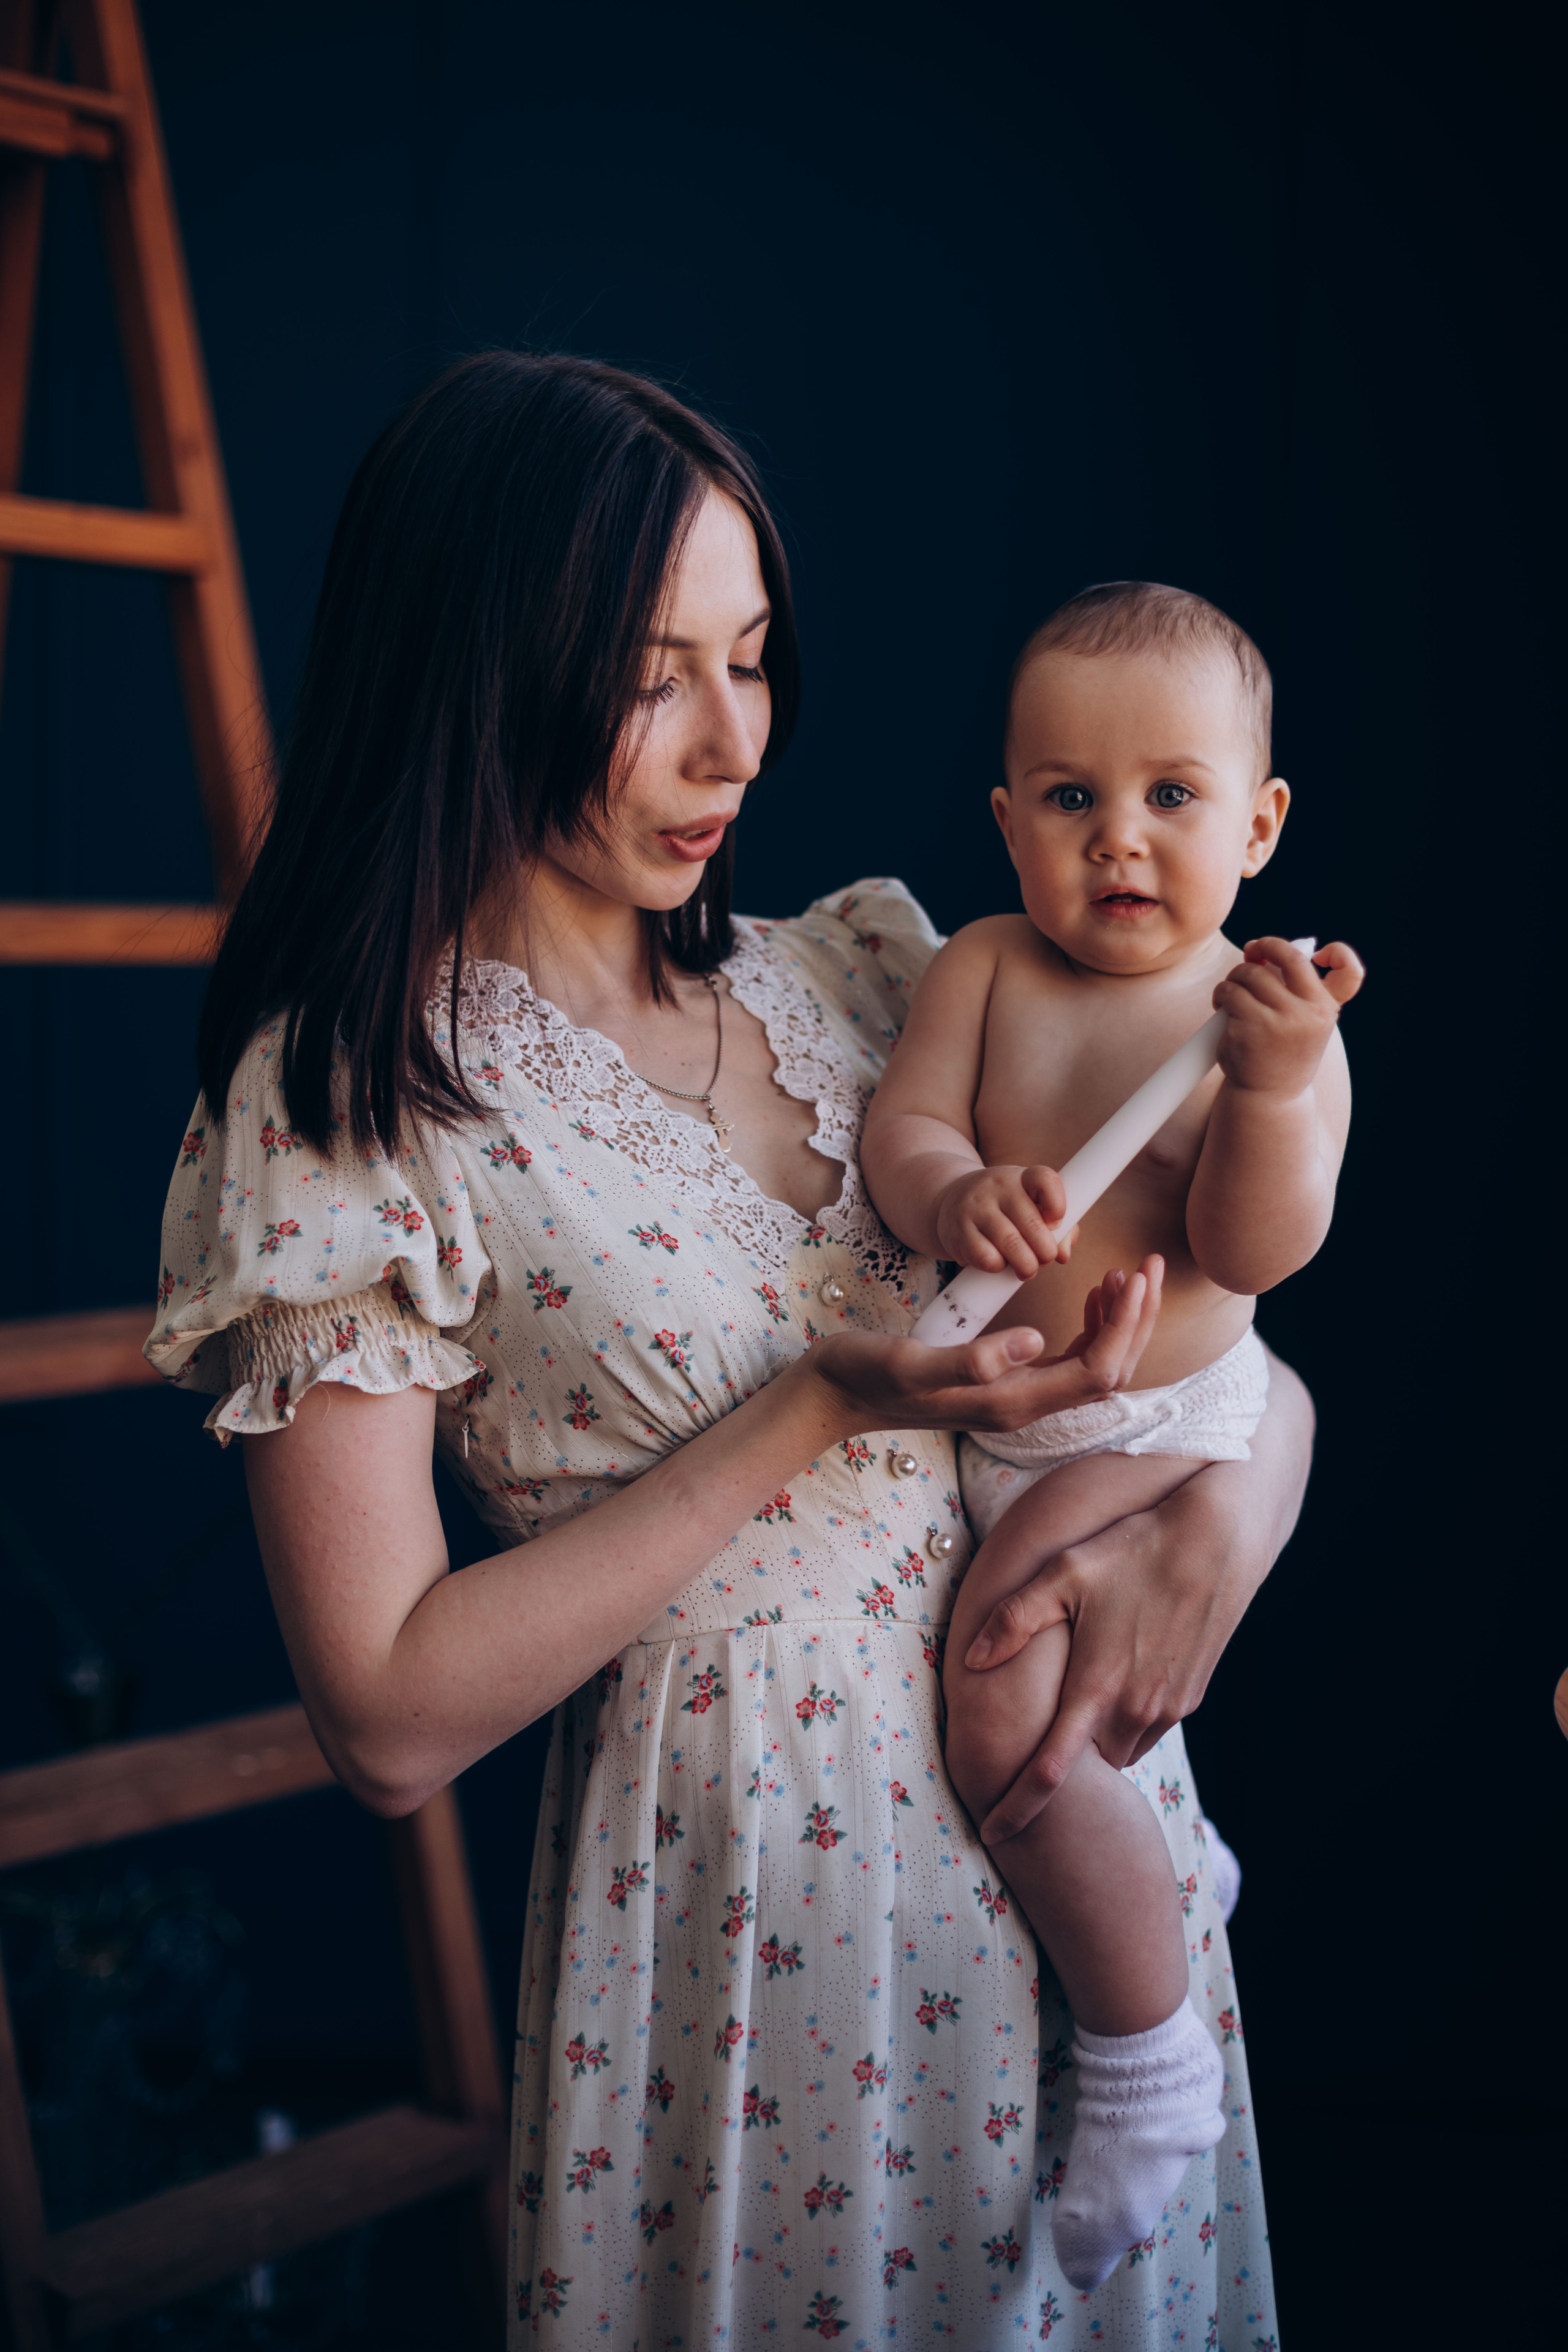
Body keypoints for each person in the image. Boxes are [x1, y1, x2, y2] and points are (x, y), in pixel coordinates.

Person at [146, 358, 1310, 2346]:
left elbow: (1214, 1320)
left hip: (1088, 1899)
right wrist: (817, 1403)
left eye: (753, 661)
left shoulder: (865, 969)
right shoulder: (355, 1101)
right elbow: (388, 1716)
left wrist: (1242, 1505)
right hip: (767, 1940)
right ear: (477, 668)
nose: (730, 744)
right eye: (649, 673)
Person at [862, 580, 1363, 2288]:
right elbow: (906, 1127)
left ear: (1262, 823)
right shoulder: (987, 967)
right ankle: (1166, 1865)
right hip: (1022, 1420)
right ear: (1008, 823)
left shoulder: (1259, 1015)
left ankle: (1146, 2060)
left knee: (996, 1672)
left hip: (1166, 1409)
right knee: (1011, 1674)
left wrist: (1280, 1093)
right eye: (1071, 801)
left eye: (1173, 798)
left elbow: (1254, 1253)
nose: (1120, 841)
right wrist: (957, 1188)